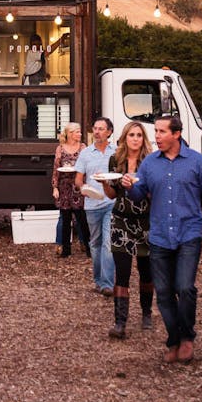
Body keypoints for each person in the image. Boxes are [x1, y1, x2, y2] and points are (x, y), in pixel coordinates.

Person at [121, 116, 202, 364]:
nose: (156, 136)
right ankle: (174, 340)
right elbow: (140, 195)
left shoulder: (197, 162)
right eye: (155, 131)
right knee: (164, 293)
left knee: (185, 288)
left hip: (188, 233)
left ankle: (187, 338)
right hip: (159, 236)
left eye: (162, 131)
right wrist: (128, 186)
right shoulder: (150, 165)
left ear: (176, 134)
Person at [104, 121, 155, 338]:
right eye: (131, 135)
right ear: (124, 138)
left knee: (146, 272)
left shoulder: (151, 163)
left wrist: (135, 187)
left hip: (145, 222)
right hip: (121, 221)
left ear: (143, 139)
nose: (135, 139)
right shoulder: (116, 160)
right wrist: (104, 183)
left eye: (139, 135)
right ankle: (120, 323)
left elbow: (156, 195)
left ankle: (146, 313)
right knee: (122, 273)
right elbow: (112, 195)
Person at [74, 118, 117, 296]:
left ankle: (107, 284)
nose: (97, 132)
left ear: (109, 132)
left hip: (111, 202)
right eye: (95, 128)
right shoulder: (85, 153)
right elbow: (78, 178)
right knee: (96, 243)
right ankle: (98, 281)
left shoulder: (116, 152)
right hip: (92, 204)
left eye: (101, 129)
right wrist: (82, 187)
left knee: (108, 243)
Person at [51, 122, 90, 259]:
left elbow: (87, 165)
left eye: (80, 131)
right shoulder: (60, 149)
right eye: (77, 132)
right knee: (65, 218)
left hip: (78, 186)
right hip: (64, 186)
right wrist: (55, 187)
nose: (80, 134)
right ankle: (66, 249)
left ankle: (89, 248)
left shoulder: (83, 147)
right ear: (70, 133)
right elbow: (56, 169)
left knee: (82, 218)